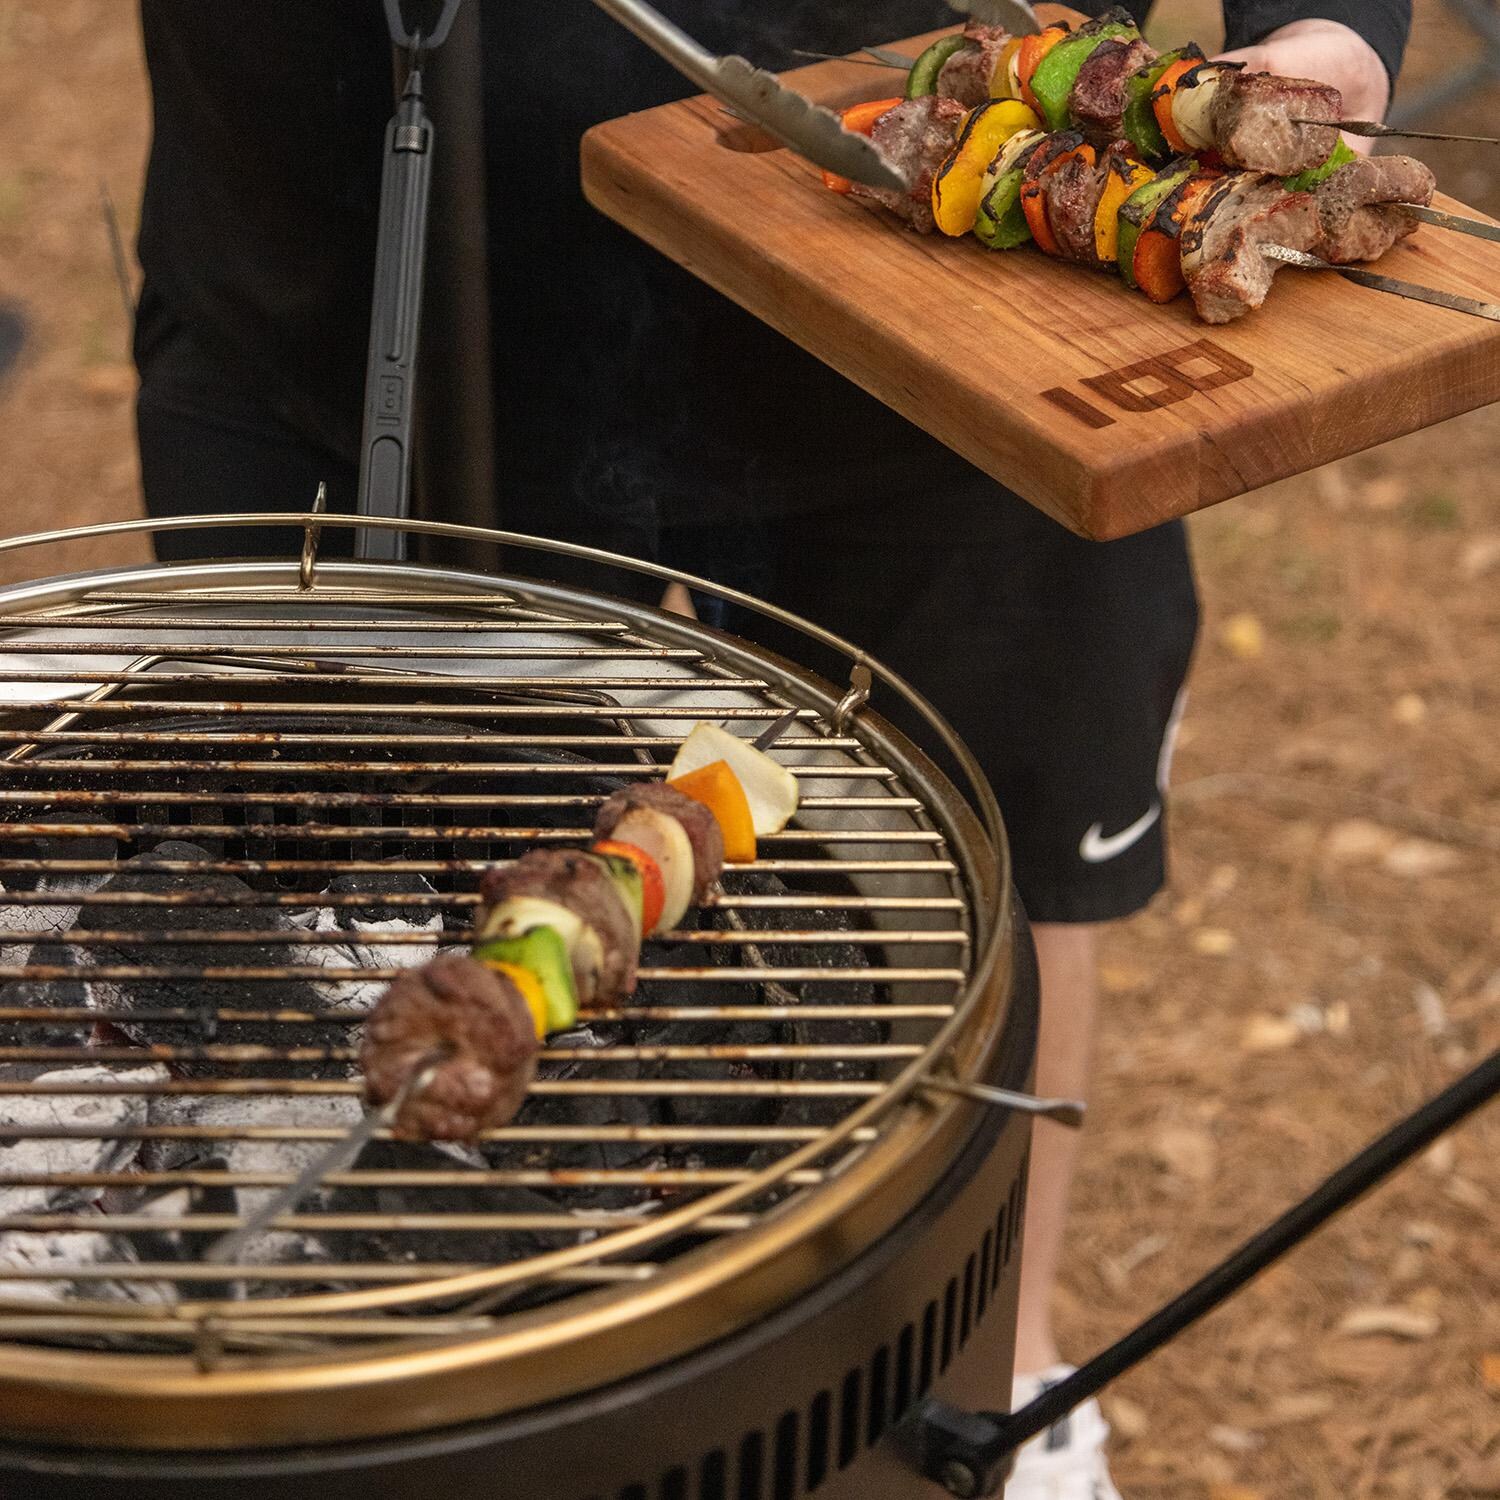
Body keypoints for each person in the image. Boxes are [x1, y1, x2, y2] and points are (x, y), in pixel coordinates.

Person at [131, 2, 1411, 1494]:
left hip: (976, 317)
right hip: (352, 276)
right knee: (361, 895)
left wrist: (1324, 23)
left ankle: (1008, 1386)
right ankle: (411, 1404)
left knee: (994, 884)